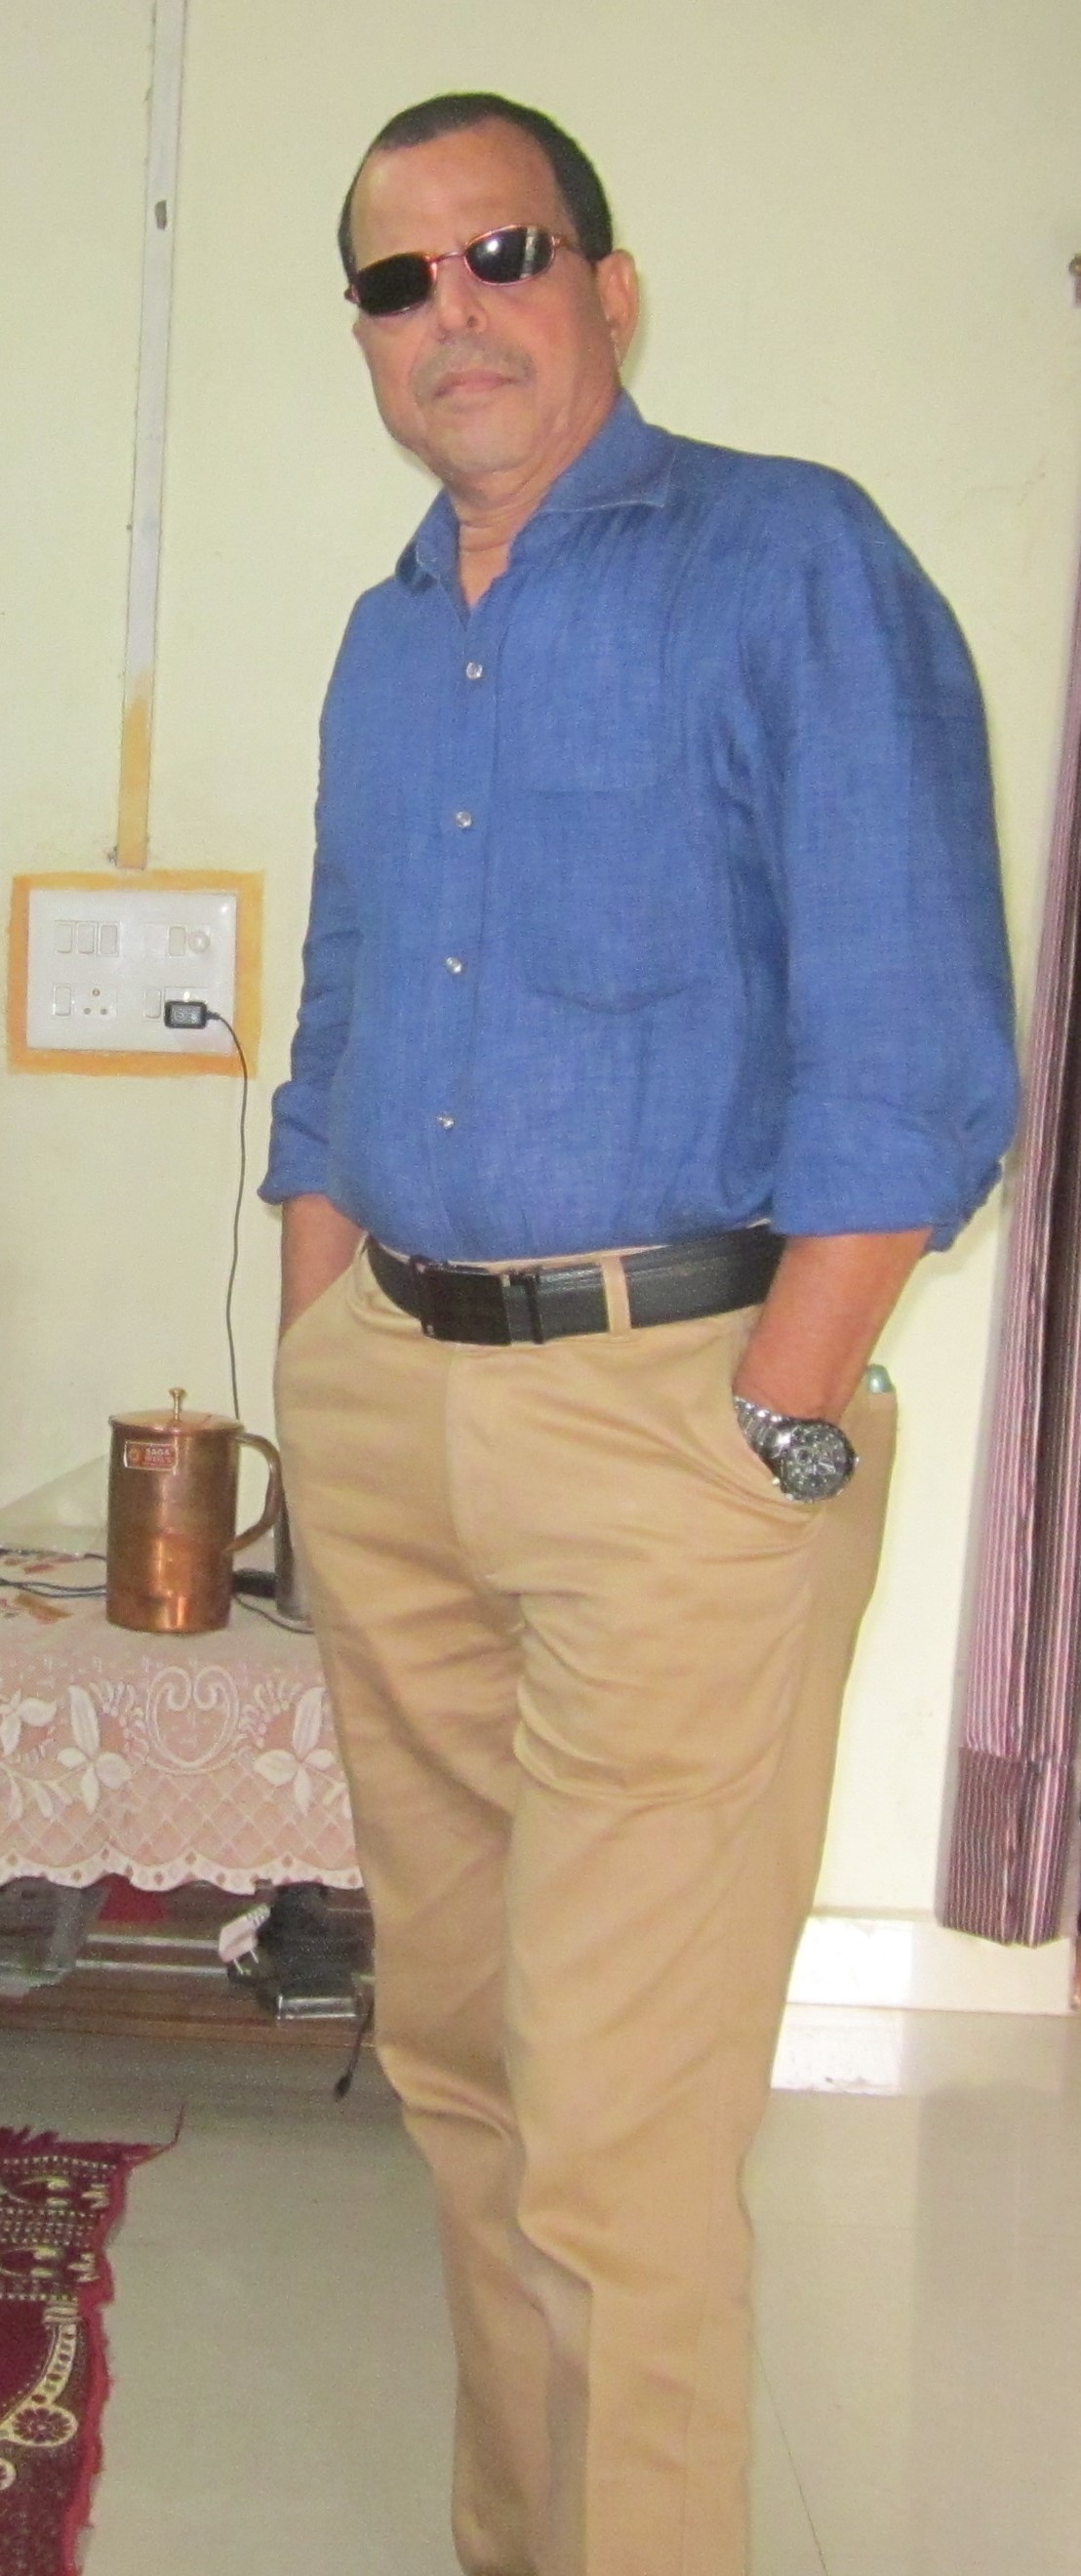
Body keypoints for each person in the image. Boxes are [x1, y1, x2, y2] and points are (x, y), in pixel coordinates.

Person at [261, 91, 1018, 2576]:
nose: (450, 312)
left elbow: (910, 1046)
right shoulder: (387, 637)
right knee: (461, 2073)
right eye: (396, 280)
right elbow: (341, 1016)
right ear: (366, 337)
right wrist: (320, 1352)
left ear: (605, 283)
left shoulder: (789, 561)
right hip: (397, 1411)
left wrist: (775, 1412)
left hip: (675, 1427)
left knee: (622, 2129)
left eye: (500, 253)